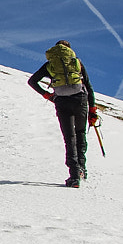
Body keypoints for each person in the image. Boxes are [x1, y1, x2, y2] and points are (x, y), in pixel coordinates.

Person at [27, 40, 98, 188]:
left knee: (69, 137)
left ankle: (73, 176)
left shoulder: (50, 64)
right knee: (80, 134)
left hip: (62, 102)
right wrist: (92, 110)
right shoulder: (76, 62)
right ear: (69, 50)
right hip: (80, 100)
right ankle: (82, 169)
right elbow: (89, 87)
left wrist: (47, 95)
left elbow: (32, 81)